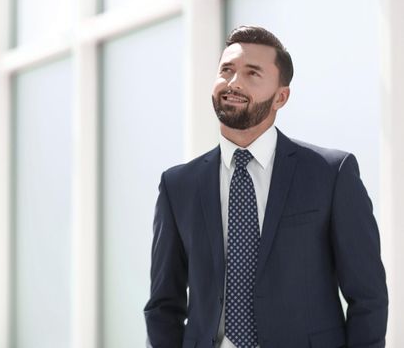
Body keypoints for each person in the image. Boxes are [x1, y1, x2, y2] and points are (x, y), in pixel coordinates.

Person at [143, 26, 388, 348]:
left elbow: (367, 297)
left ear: (281, 96)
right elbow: (163, 304)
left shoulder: (331, 174)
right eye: (226, 70)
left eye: (252, 73)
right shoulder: (178, 185)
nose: (233, 82)